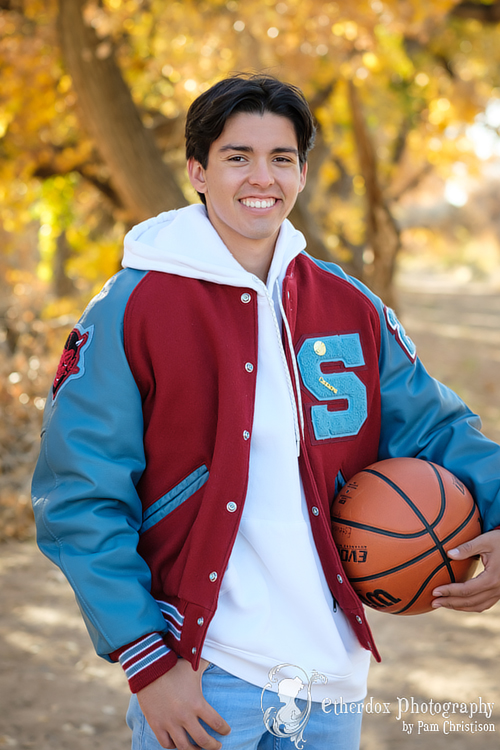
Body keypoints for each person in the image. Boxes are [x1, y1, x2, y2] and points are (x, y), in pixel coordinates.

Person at [32, 73, 500, 750]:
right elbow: (80, 492)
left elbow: (437, 428)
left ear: (303, 173)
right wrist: (147, 660)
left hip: (329, 676)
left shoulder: (346, 304)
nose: (263, 177)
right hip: (203, 671)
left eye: (281, 158)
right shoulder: (134, 308)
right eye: (236, 156)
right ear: (197, 169)